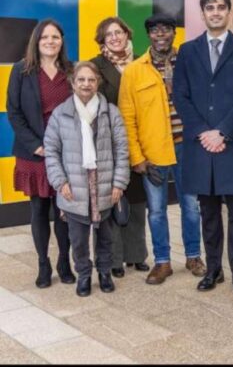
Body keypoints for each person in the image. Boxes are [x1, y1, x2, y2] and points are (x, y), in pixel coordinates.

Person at [173, 0, 233, 295]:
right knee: (208, 213)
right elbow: (180, 96)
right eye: (210, 8)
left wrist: (222, 132)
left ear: (229, 13)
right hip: (201, 146)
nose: (215, 12)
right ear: (203, 13)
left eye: (221, 8)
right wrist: (203, 132)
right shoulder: (186, 51)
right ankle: (213, 270)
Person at [119, 14, 206, 285]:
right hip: (153, 152)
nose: (160, 34)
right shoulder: (134, 70)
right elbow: (127, 117)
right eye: (155, 30)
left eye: (166, 30)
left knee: (191, 206)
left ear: (173, 34)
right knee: (156, 210)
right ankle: (162, 262)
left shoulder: (190, 63)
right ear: (148, 36)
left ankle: (193, 256)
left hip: (187, 148)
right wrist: (137, 158)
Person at [44, 62, 130, 297]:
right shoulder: (60, 114)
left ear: (97, 82)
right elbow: (51, 151)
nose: (86, 84)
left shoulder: (110, 111)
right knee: (78, 239)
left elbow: (122, 149)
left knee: (105, 236)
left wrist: (119, 183)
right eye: (81, 79)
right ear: (73, 83)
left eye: (91, 80)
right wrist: (60, 182)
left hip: (104, 186)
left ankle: (104, 272)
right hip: (73, 188)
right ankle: (83, 274)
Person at [6, 19, 75, 288]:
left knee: (65, 210)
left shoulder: (70, 70)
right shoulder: (22, 70)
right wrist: (36, 145)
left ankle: (64, 262)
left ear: (61, 41)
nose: (50, 41)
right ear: (37, 40)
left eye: (55, 37)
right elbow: (14, 111)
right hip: (33, 153)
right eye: (45, 37)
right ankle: (43, 264)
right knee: (39, 209)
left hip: (66, 153)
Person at [90, 17, 149, 277]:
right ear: (102, 40)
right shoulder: (95, 66)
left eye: (118, 32)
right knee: (110, 201)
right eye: (108, 34)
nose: (114, 37)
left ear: (127, 34)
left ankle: (136, 255)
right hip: (108, 143)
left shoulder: (141, 62)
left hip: (138, 142)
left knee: (136, 202)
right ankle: (112, 259)